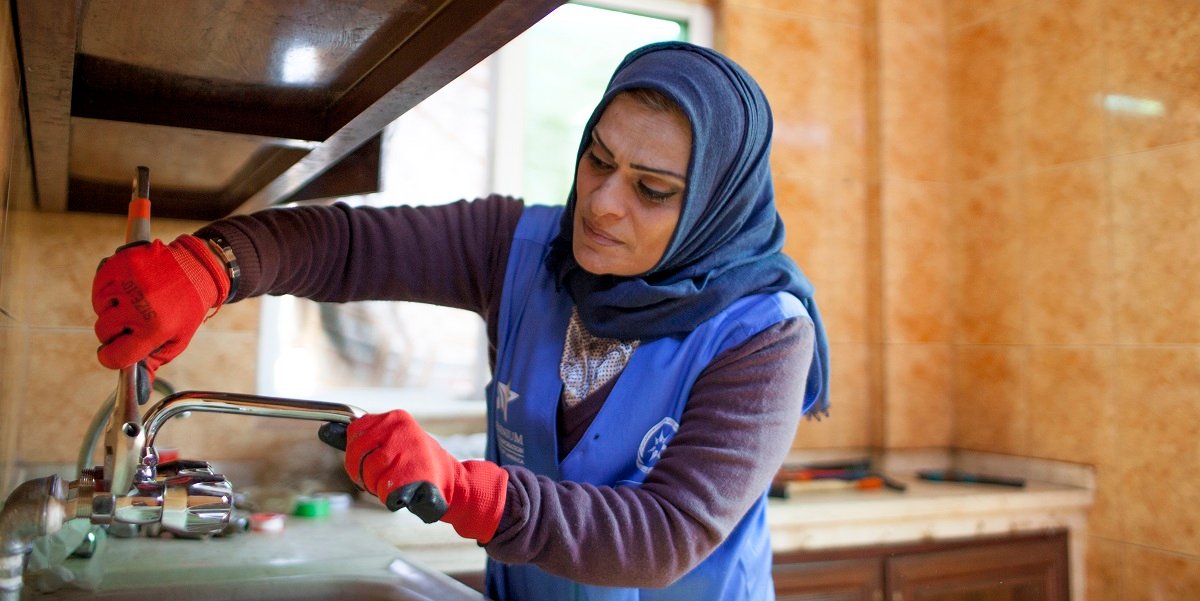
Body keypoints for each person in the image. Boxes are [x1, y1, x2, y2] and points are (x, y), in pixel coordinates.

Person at [91, 41, 830, 600]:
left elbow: (666, 532)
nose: (603, 202)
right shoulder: (522, 247)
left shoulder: (764, 333)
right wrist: (212, 266)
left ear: (714, 203)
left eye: (653, 189)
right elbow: (349, 247)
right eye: (599, 160)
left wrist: (469, 489)